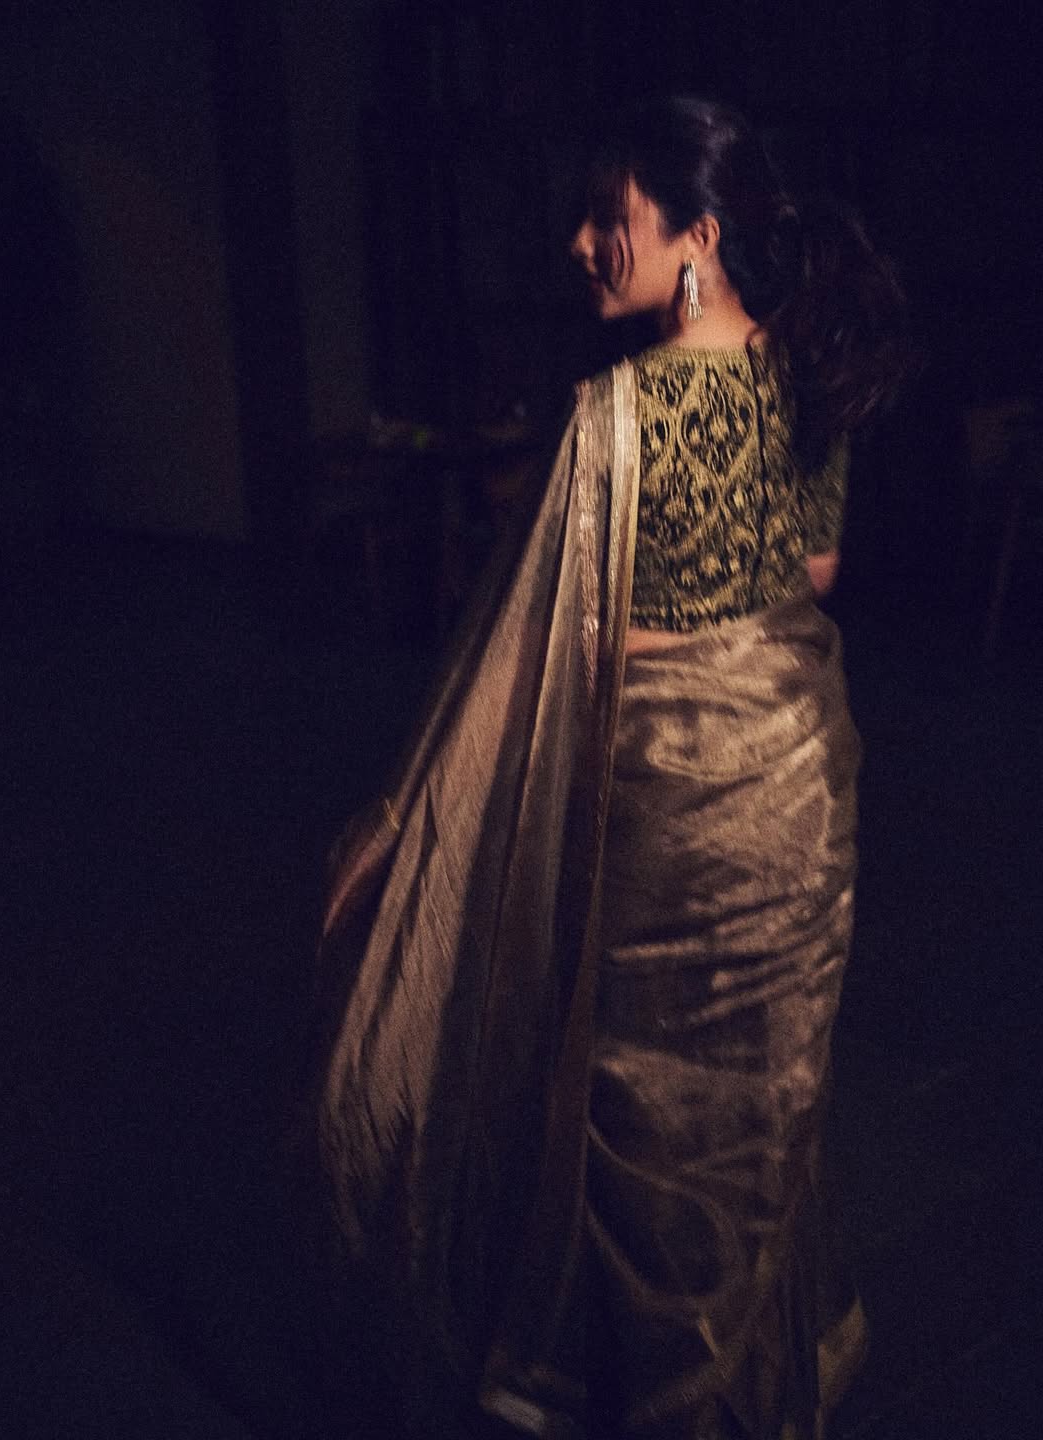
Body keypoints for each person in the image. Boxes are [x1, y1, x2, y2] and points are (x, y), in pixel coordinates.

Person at [311, 96, 907, 1440]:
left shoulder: (617, 415)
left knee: (648, 1119)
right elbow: (818, 571)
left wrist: (410, 826)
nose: (580, 243)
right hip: (802, 788)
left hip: (677, 812)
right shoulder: (808, 376)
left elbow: (530, 647)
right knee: (756, 1117)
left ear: (700, 235)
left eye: (609, 218)